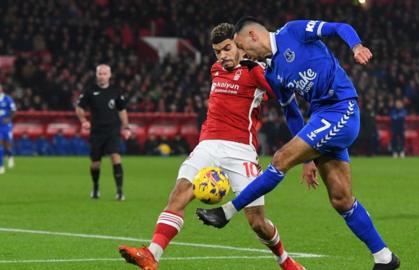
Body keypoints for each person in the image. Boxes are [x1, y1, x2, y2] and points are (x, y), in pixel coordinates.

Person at [196, 17, 400, 270]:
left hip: (341, 109)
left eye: (241, 46)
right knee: (341, 198)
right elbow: (291, 113)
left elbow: (339, 27)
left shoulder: (293, 31)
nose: (242, 53)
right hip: (320, 118)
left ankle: (226, 211)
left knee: (281, 158)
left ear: (252, 35)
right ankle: (384, 257)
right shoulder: (272, 72)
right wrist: (305, 159)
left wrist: (356, 46)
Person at [118, 23, 306, 270]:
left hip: (241, 150)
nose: (222, 56)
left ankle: (285, 260)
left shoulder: (256, 71)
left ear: (238, 45)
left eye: (227, 48)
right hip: (207, 145)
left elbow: (282, 94)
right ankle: (152, 254)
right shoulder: (216, 69)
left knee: (257, 221)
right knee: (179, 193)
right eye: (217, 51)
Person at [76, 64, 131, 201]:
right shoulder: (90, 91)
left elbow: (122, 110)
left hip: (112, 131)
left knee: (115, 157)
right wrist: (83, 120)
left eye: (105, 73)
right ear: (96, 75)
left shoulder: (115, 91)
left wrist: (125, 127)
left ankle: (119, 191)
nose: (102, 76)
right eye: (100, 73)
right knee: (95, 163)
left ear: (109, 75)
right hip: (96, 132)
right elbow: (79, 107)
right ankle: (95, 188)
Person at [0, 84, 16, 174]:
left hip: (6, 125)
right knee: (0, 144)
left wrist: (9, 118)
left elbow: (14, 111)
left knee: (7, 144)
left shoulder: (7, 99)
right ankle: (1, 166)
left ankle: (10, 156)